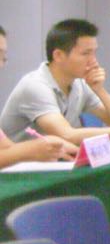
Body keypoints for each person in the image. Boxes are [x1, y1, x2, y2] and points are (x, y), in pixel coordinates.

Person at [0, 19, 110, 143]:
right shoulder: (35, 86)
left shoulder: (79, 84)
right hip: (15, 168)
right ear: (58, 55)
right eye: (85, 54)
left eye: (94, 53)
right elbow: (66, 135)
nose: (94, 61)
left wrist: (100, 91)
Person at [0, 24, 77, 167]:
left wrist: (51, 147)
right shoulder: (34, 84)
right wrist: (29, 150)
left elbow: (5, 148)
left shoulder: (80, 84)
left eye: (3, 57)